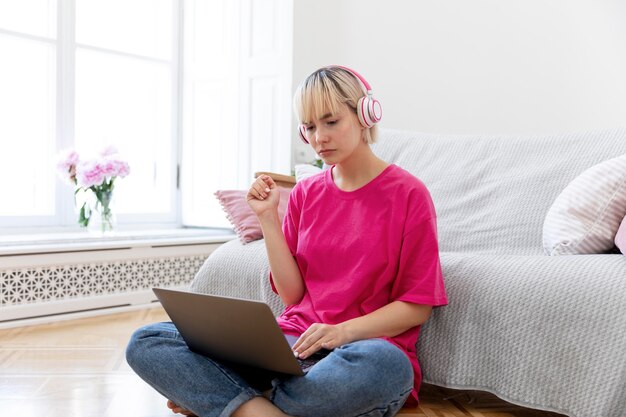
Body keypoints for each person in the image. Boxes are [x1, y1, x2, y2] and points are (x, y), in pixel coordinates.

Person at [126, 65, 447, 417]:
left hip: (361, 348)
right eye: (309, 127)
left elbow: (416, 306)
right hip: (292, 345)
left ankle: (236, 402)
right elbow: (292, 295)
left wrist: (341, 333)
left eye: (330, 122)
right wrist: (268, 219)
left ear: (365, 115)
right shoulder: (305, 193)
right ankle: (262, 406)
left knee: (388, 366)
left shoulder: (408, 194)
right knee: (148, 340)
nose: (318, 138)